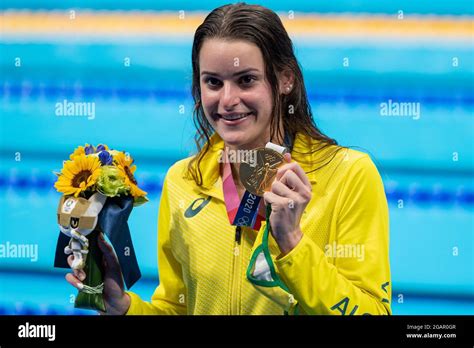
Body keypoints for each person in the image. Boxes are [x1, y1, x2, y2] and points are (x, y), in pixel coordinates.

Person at [66, 3, 391, 315]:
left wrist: (293, 244)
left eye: (246, 80)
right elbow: (178, 308)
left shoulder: (348, 175)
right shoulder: (184, 181)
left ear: (285, 79)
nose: (228, 100)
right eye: (213, 82)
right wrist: (123, 308)